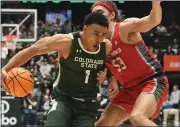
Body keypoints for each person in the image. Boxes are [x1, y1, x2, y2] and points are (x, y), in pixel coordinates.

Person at [1, 12, 112, 127]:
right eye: (96, 33)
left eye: (103, 35)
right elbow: (32, 50)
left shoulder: (106, 47)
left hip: (87, 106)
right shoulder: (66, 42)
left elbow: (112, 63)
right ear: (85, 28)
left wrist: (109, 75)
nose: (100, 39)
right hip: (63, 100)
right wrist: (6, 68)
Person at [91, 1, 169, 126]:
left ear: (112, 15)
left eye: (100, 12)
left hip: (151, 80)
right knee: (101, 125)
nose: (96, 16)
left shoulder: (124, 28)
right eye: (93, 14)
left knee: (137, 117)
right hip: (129, 89)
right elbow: (112, 62)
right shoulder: (99, 44)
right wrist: (113, 79)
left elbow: (152, 21)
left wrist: (155, 4)